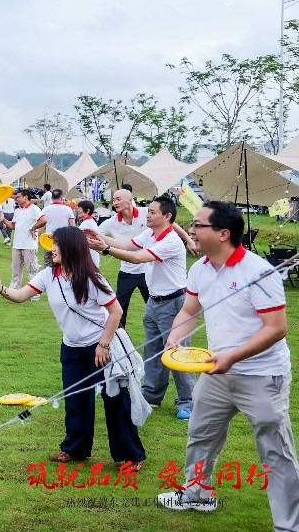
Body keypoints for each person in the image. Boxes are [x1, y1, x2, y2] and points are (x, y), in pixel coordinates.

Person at [157, 202, 299, 525]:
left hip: (262, 375)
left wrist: (232, 357)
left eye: (197, 225)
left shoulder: (259, 272)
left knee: (276, 451)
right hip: (216, 371)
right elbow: (189, 310)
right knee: (200, 434)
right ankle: (197, 495)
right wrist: (175, 337)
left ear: (223, 234)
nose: (190, 231)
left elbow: (276, 329)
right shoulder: (200, 268)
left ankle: (290, 525)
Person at [0, 227, 145, 468]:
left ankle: (130, 456)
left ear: (70, 248)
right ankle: (76, 449)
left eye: (56, 244)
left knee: (115, 400)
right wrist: (2, 289)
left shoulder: (92, 278)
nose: (52, 248)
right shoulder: (49, 275)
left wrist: (103, 345)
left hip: (102, 347)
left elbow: (116, 312)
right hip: (72, 348)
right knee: (76, 401)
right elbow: (21, 295)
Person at [85, 196, 194, 419]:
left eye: (152, 212)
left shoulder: (171, 241)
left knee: (177, 352)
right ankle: (152, 394)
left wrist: (105, 249)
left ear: (167, 216)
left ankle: (188, 401)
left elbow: (138, 258)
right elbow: (127, 245)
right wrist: (100, 237)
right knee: (153, 351)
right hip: (155, 302)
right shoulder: (149, 234)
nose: (148, 215)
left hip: (174, 303)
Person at [95, 189, 150, 327]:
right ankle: (119, 342)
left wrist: (189, 241)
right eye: (113, 200)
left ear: (130, 200)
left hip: (148, 270)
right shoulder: (111, 222)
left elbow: (170, 224)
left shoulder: (146, 213)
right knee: (119, 310)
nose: (115, 203)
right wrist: (103, 250)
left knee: (154, 308)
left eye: (118, 199)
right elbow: (95, 236)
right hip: (127, 272)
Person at [1, 188, 42, 298]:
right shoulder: (18, 211)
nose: (17, 199)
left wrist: (33, 228)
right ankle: (13, 291)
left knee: (32, 271)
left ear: (26, 197)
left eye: (18, 197)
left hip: (29, 245)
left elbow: (43, 220)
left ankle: (35, 294)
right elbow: (13, 226)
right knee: (16, 270)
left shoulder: (34, 209)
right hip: (17, 244)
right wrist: (4, 220)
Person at [32, 188, 76, 268]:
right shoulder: (68, 210)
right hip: (64, 239)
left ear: (52, 198)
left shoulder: (45, 209)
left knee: (48, 263)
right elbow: (72, 226)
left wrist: (39, 239)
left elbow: (41, 226)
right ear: (62, 197)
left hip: (48, 239)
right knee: (64, 262)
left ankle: (47, 279)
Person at [76, 199, 101, 267]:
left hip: (89, 255)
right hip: (89, 255)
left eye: (80, 208)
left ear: (87, 211)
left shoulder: (87, 223)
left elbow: (75, 236)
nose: (78, 210)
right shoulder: (89, 221)